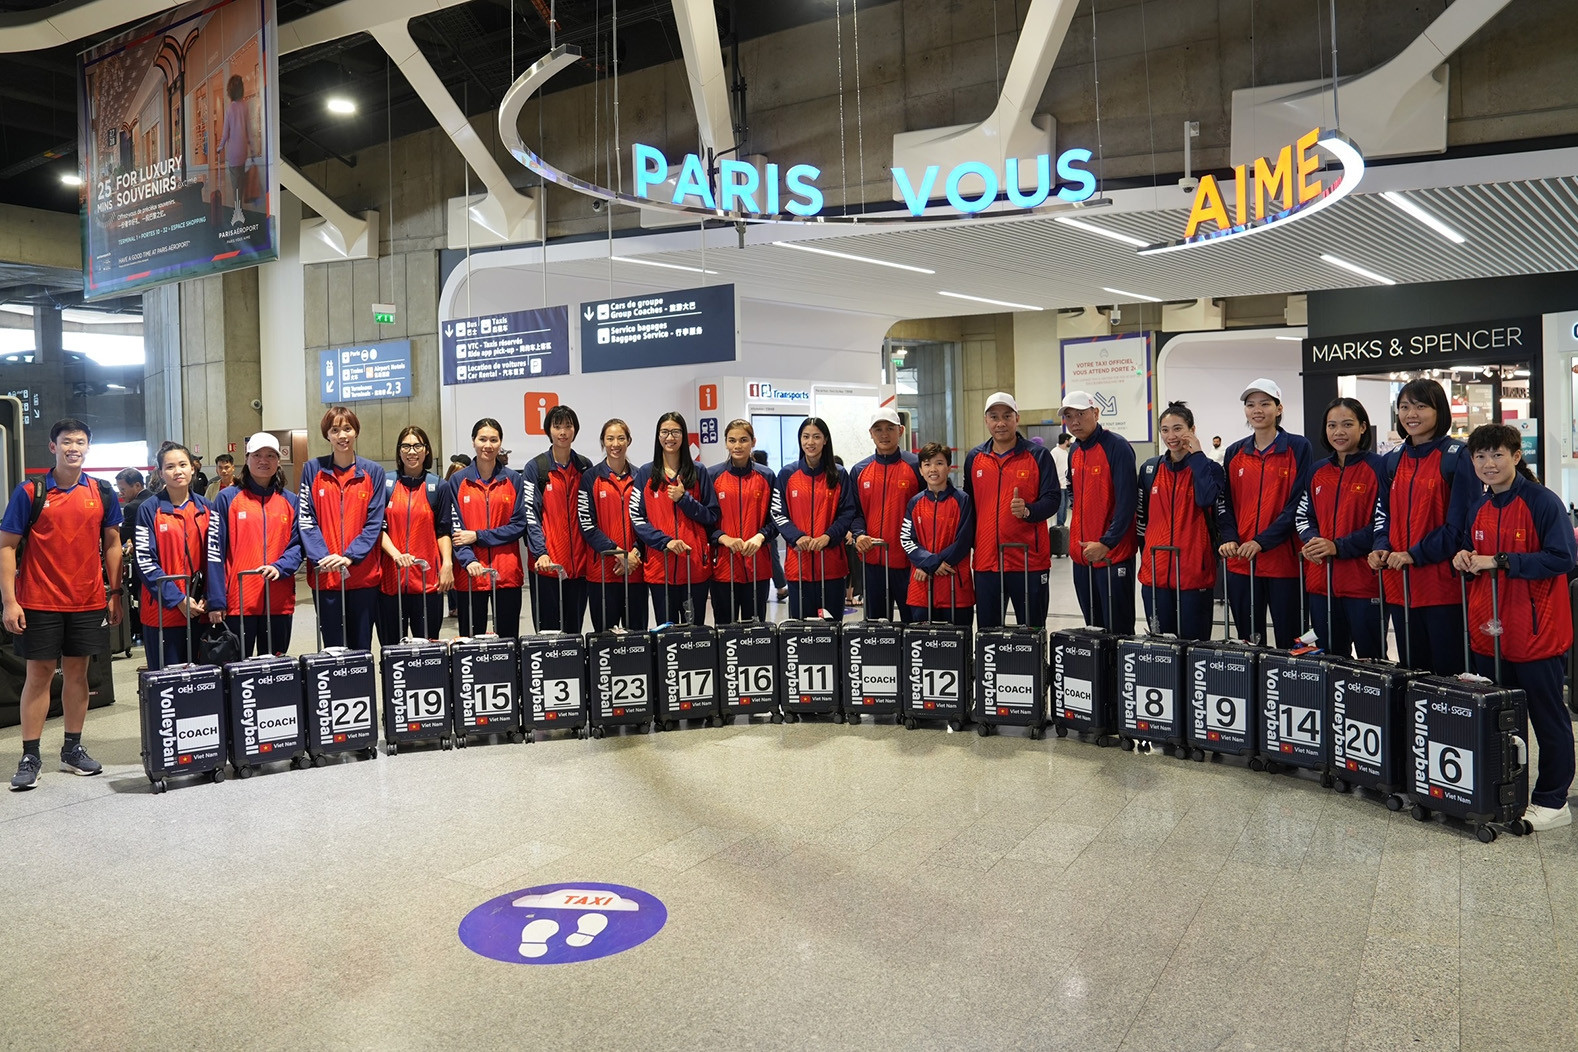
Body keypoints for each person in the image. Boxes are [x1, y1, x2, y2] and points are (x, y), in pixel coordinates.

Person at [1452, 423, 1576, 831]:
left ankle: (1553, 800)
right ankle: (1503, 790)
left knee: (1547, 717)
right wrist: (1467, 561)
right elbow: (1480, 557)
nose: (1489, 464)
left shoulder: (1542, 502)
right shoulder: (1480, 506)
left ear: (1516, 457)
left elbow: (1562, 558)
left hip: (1538, 633)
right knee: (1499, 720)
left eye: (1497, 455)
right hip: (1493, 634)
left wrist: (1501, 560)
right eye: (1480, 457)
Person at [1, 418, 123, 790]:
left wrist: (114, 593)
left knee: (78, 674)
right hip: (38, 601)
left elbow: (113, 543)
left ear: (88, 447)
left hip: (87, 601)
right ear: (53, 447)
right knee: (37, 676)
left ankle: (72, 749)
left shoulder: (102, 491)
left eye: (80, 441)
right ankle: (30, 755)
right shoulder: (31, 491)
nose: (74, 447)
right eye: (67, 441)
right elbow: (7, 546)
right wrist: (9, 601)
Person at [1368, 379, 1481, 674]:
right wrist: (1381, 547)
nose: (1411, 414)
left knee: (1447, 674)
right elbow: (1382, 514)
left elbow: (1460, 526)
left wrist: (1414, 554)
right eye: (1404, 407)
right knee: (1411, 672)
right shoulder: (1392, 460)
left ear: (1439, 411)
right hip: (1398, 585)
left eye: (1420, 406)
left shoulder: (1457, 456)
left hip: (1442, 587)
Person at [1215, 378, 1312, 649]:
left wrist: (1262, 542)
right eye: (1251, 404)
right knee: (1248, 642)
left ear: (1278, 409)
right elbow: (1225, 503)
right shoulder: (1235, 452)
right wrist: (1230, 537)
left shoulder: (1298, 447)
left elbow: (1298, 504)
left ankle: (1292, 689)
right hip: (1242, 563)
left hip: (1284, 564)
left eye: (1265, 404)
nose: (1257, 410)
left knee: (1291, 641)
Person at [1295, 398, 1387, 659]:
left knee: (1372, 661)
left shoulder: (1379, 468)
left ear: (1363, 427)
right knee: (1328, 660)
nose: (1339, 432)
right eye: (1332, 425)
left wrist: (1338, 546)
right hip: (1321, 584)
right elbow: (1303, 515)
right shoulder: (1317, 471)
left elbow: (1383, 522)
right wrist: (1313, 541)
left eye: (1347, 424)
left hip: (1364, 584)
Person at [961, 392, 1060, 629]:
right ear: (986, 420)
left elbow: (1053, 499)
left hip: (1028, 560)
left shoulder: (1038, 455)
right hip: (987, 561)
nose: (1000, 423)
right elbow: (968, 506)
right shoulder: (975, 458)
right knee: (988, 631)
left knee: (1032, 630)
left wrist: (1028, 510)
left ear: (1017, 418)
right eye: (994, 416)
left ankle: (1033, 667)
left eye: (1007, 416)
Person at [297, 406, 387, 650]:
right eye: (335, 430)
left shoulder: (374, 472)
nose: (342, 435)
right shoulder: (312, 469)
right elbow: (306, 518)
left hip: (363, 575)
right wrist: (323, 557)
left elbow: (374, 522)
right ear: (327, 435)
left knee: (361, 647)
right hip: (326, 575)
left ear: (356, 431)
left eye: (347, 428)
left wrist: (349, 556)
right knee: (333, 649)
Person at [206, 433, 302, 658]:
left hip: (278, 600)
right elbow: (214, 551)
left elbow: (297, 546)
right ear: (247, 459)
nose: (263, 460)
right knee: (238, 671)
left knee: (276, 668)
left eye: (270, 455)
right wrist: (216, 599)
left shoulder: (290, 501)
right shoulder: (227, 499)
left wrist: (281, 566)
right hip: (238, 601)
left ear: (278, 461)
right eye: (257, 455)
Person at [1136, 402, 1223, 640]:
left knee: (1194, 647)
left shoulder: (1210, 468)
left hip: (1194, 573)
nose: (1171, 436)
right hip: (1155, 573)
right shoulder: (1150, 469)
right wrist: (1147, 557)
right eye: (1165, 430)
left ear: (1192, 429)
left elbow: (1206, 499)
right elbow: (1141, 520)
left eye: (1178, 428)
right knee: (1161, 650)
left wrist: (1196, 456)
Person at [632, 412, 718, 624]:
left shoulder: (698, 471)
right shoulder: (645, 473)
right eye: (665, 432)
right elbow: (637, 518)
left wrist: (684, 499)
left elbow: (712, 515)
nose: (670, 437)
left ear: (683, 436)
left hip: (695, 566)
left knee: (695, 634)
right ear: (658, 436)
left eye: (675, 432)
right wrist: (666, 542)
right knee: (666, 637)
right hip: (660, 569)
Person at [1061, 390, 1135, 633]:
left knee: (1117, 629)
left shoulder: (1117, 447)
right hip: (1082, 556)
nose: (1074, 421)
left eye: (1080, 414)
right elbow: (1072, 489)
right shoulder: (1075, 451)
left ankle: (1120, 672)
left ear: (1096, 413)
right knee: (1093, 628)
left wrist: (1106, 543)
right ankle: (1098, 671)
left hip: (1111, 555)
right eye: (1069, 416)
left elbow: (1127, 503)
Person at [447, 418, 528, 637]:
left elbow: (519, 525)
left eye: (494, 440)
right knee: (470, 645)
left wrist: (477, 536)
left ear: (500, 443)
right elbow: (456, 530)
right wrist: (468, 560)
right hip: (470, 574)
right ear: (473, 441)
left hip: (507, 573)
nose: (488, 445)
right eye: (483, 439)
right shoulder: (457, 481)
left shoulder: (513, 480)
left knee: (508, 643)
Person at [134, 442, 210, 670]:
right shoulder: (149, 509)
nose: (177, 471)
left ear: (193, 469)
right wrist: (177, 600)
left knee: (204, 686)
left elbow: (216, 558)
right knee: (167, 688)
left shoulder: (207, 507)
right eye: (170, 467)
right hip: (162, 614)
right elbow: (145, 560)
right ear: (160, 473)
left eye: (183, 465)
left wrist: (210, 595)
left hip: (200, 611)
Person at [772, 416, 856, 620]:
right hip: (798, 566)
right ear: (800, 440)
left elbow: (848, 512)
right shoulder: (786, 474)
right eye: (806, 436)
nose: (811, 442)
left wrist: (828, 537)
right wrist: (797, 537)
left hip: (832, 566)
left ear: (825, 440)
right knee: (801, 630)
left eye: (816, 437)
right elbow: (777, 512)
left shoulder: (839, 474)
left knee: (832, 628)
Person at [378, 426, 452, 642]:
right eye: (406, 446)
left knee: (428, 648)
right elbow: (377, 529)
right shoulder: (385, 483)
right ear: (399, 452)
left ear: (426, 451)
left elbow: (444, 530)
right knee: (391, 649)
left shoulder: (439, 486)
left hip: (427, 584)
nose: (412, 451)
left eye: (417, 445)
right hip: (390, 584)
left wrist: (447, 564)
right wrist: (395, 555)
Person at [522, 404, 591, 633]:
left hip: (579, 568)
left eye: (568, 426)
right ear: (548, 430)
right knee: (547, 635)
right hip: (547, 566)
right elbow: (530, 514)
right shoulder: (537, 467)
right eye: (557, 426)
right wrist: (540, 552)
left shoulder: (584, 466)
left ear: (575, 430)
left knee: (573, 633)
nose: (563, 432)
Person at [849, 408, 923, 622]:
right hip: (872, 561)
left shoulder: (916, 466)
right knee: (876, 627)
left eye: (890, 428)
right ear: (870, 433)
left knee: (913, 624)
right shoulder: (860, 470)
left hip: (907, 561)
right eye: (878, 429)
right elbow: (855, 512)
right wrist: (859, 534)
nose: (884, 434)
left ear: (900, 430)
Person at [579, 419, 646, 632]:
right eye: (610, 438)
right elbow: (587, 524)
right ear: (603, 442)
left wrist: (635, 553)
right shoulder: (590, 478)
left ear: (629, 441)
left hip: (635, 571)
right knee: (604, 642)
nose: (615, 444)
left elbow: (648, 521)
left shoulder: (641, 477)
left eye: (620, 438)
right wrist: (618, 553)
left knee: (637, 640)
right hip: (601, 573)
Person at [709, 420, 777, 623]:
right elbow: (704, 520)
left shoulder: (767, 476)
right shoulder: (712, 475)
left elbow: (777, 519)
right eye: (732, 440)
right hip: (722, 566)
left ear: (753, 442)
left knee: (755, 634)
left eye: (743, 440)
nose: (737, 445)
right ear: (726, 443)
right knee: (724, 629)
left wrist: (760, 536)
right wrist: (722, 537)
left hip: (757, 566)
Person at [901, 442, 975, 625]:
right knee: (924, 647)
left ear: (949, 467)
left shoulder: (962, 500)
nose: (933, 469)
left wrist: (929, 564)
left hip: (954, 586)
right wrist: (931, 563)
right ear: (920, 470)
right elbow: (906, 539)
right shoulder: (914, 503)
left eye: (939, 463)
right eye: (927, 464)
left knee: (958, 646)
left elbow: (964, 541)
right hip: (921, 587)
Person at [117, 466, 152, 633]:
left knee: (144, 603)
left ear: (137, 485)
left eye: (123, 489)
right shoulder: (156, 499)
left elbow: (121, 538)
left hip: (144, 566)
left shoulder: (133, 507)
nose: (120, 493)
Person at [754, 449, 788, 601]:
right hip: (766, 528)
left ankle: (780, 587)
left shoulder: (767, 477)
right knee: (772, 557)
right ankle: (780, 587)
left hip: (766, 530)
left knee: (772, 557)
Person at [217, 73, 250, 226]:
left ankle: (238, 213)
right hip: (243, 151)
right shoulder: (245, 106)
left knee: (235, 184)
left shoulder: (230, 109)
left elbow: (225, 133)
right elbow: (249, 129)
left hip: (233, 154)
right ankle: (240, 211)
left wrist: (220, 147)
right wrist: (253, 148)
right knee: (241, 184)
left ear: (230, 90)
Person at [1052, 433, 1073, 527]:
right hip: (1059, 485)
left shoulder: (1066, 452)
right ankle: (1059, 527)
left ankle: (1063, 526)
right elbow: (1051, 468)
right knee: (1060, 507)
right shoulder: (1055, 452)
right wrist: (1056, 481)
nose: (1070, 442)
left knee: (1065, 507)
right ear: (1066, 440)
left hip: (1066, 484)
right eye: (1069, 440)